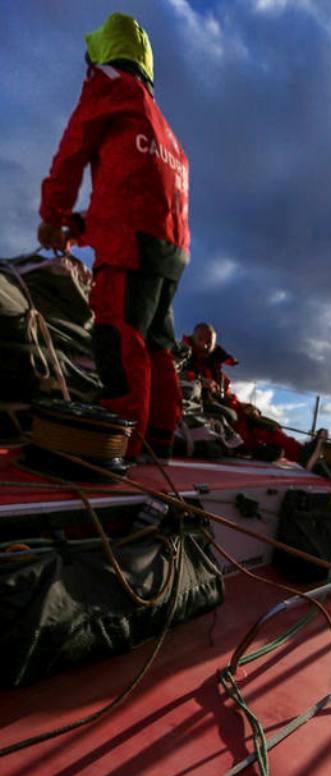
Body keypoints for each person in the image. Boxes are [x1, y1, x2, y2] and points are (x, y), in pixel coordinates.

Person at [38, 12, 189, 460]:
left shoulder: (108, 87)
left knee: (118, 335)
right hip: (170, 249)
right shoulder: (163, 126)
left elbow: (73, 150)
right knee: (157, 342)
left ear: (104, 52)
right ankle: (161, 437)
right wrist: (80, 229)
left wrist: (53, 216)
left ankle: (119, 442)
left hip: (132, 247)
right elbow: (134, 192)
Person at [180, 322, 304, 463]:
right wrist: (199, 381)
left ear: (215, 345)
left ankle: (303, 454)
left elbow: (228, 397)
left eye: (209, 342)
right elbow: (173, 375)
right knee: (232, 416)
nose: (204, 345)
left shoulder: (219, 375)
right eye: (200, 339)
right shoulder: (180, 357)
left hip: (227, 415)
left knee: (263, 423)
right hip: (197, 412)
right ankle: (252, 449)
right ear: (193, 338)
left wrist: (245, 406)